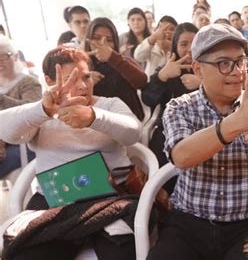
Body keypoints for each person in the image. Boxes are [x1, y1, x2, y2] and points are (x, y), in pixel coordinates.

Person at [146, 23, 248, 260]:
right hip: (188, 224)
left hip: (247, 227)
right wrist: (236, 122)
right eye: (223, 63)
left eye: (241, 61)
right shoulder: (180, 107)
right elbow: (181, 157)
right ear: (198, 69)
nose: (237, 71)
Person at [0, 46, 142, 260]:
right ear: (49, 81)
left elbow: (133, 132)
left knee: (120, 251)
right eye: (71, 79)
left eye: (86, 77)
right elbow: (5, 129)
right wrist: (44, 110)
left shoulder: (109, 105)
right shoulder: (41, 114)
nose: (83, 86)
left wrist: (94, 117)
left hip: (110, 197)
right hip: (55, 200)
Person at [141, 22, 199, 166]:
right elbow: (148, 99)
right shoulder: (167, 69)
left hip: (203, 129)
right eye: (184, 44)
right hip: (169, 130)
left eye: (195, 43)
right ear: (176, 47)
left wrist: (202, 83)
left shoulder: (211, 69)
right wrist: (162, 76)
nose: (189, 50)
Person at [84, 17, 148, 120]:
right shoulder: (81, 65)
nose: (102, 43)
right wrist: (84, 80)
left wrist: (113, 58)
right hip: (93, 124)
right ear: (88, 40)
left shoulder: (122, 60)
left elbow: (142, 81)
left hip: (127, 121)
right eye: (96, 38)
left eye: (109, 40)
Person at [0, 36, 39, 178]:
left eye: (4, 56)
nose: (0, 61)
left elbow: (32, 112)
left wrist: (2, 100)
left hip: (22, 143)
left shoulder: (29, 82)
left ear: (16, 56)